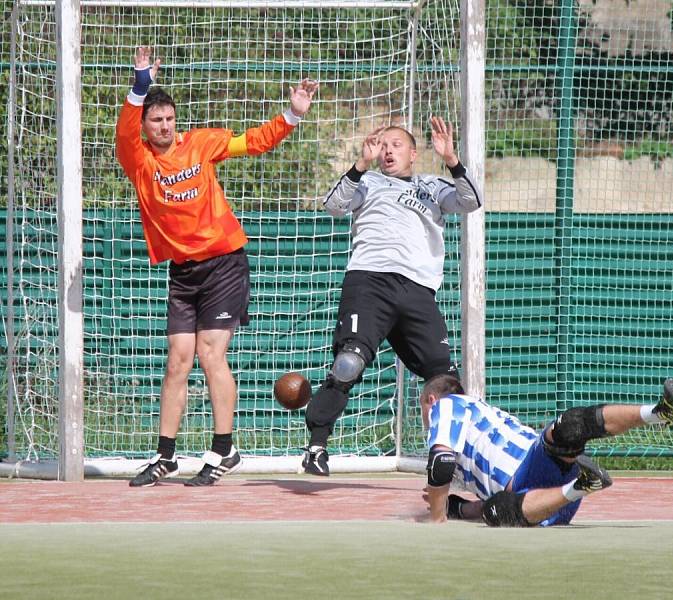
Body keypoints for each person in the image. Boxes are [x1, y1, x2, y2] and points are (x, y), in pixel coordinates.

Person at [116, 46, 318, 487]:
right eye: (156, 121)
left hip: (224, 263)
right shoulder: (138, 161)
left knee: (210, 354)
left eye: (169, 118)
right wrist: (140, 82)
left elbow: (253, 142)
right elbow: (126, 126)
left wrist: (292, 115)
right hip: (183, 272)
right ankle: (164, 456)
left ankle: (224, 449)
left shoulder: (201, 144)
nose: (165, 126)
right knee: (177, 361)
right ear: (145, 127)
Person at [301, 119, 483, 475]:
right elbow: (334, 205)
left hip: (417, 289)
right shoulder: (366, 182)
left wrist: (451, 159)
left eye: (396, 145)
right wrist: (359, 164)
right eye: (383, 145)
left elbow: (471, 201)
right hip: (369, 281)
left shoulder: (432, 185)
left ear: (413, 154)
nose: (388, 150)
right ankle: (317, 447)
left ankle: (454, 456)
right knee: (348, 362)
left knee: (446, 379)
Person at [419, 374, 673, 526]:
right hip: (551, 504)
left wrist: (437, 517)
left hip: (531, 467)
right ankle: (584, 484)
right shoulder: (473, 435)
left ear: (431, 400)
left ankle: (660, 412)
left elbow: (440, 461)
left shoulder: (448, 405)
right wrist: (458, 508)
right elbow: (483, 500)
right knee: (495, 510)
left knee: (568, 426)